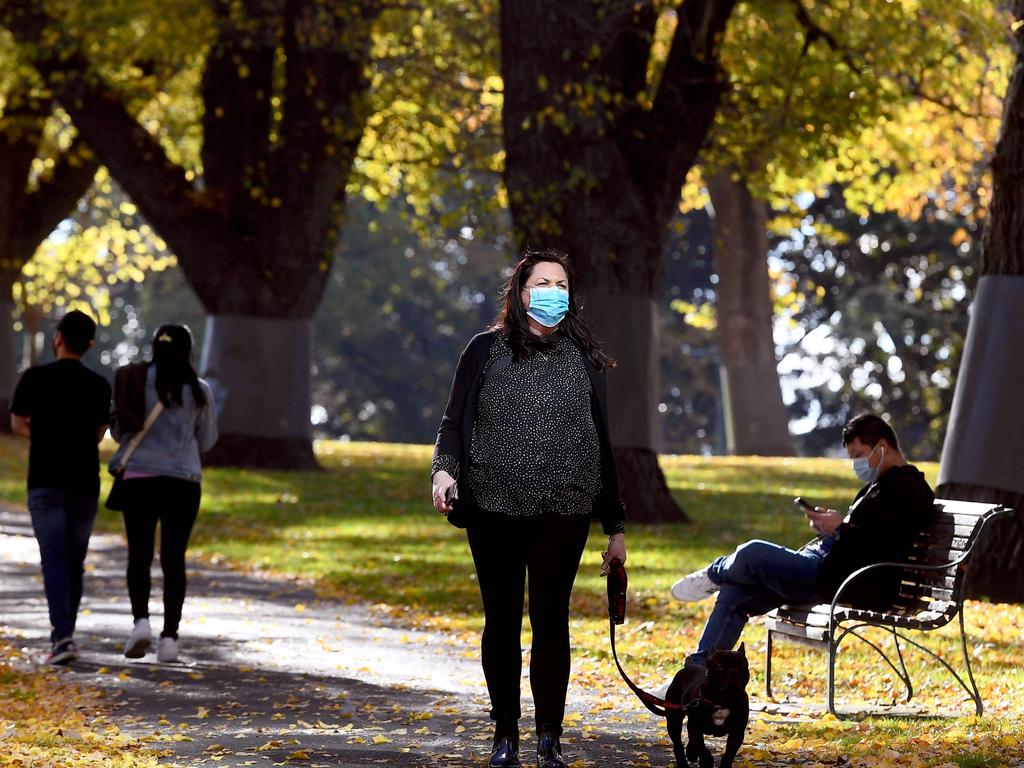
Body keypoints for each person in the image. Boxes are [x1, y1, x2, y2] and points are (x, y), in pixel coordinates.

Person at [431, 249, 627, 768]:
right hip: (493, 504)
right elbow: (453, 421)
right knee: (501, 621)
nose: (553, 292)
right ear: (520, 293)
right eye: (542, 283)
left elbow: (602, 441)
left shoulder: (583, 356)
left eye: (562, 284)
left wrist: (616, 527)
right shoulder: (483, 350)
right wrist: (444, 470)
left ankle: (549, 739)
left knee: (550, 619)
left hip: (564, 509)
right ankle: (505, 736)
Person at [671, 413, 934, 666]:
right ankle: (696, 672)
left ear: (882, 446)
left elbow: (884, 545)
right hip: (824, 565)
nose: (856, 464)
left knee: (752, 553)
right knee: (734, 594)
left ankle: (714, 574)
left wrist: (841, 529)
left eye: (858, 455)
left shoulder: (908, 490)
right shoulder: (879, 486)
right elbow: (864, 533)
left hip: (838, 580)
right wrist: (832, 528)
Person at [109, 324, 217, 663]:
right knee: (174, 558)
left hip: (139, 478)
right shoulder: (199, 391)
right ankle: (169, 638)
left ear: (153, 347)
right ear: (188, 351)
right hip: (183, 481)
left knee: (139, 555)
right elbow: (208, 439)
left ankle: (140, 622)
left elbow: (117, 429)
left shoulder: (134, 380)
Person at [10, 310, 112, 665]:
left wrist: (46, 435)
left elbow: (17, 424)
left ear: (58, 338)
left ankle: (62, 637)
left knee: (53, 557)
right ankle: (65, 634)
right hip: (84, 483)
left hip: (45, 480)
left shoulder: (34, 378)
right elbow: (100, 433)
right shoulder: (99, 385)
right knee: (75, 562)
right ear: (88, 344)